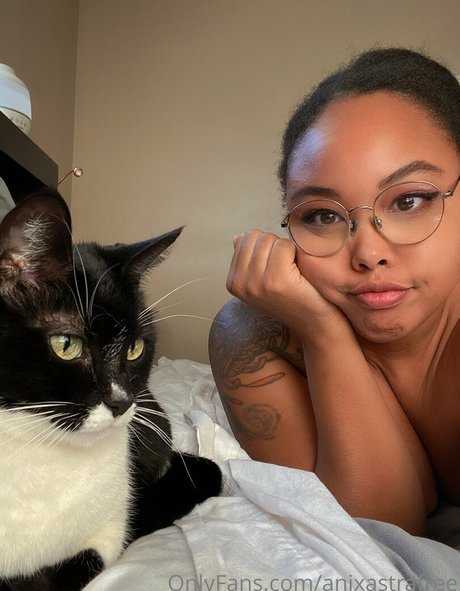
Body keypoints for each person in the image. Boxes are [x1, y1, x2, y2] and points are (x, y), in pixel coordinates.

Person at [208, 47, 460, 536]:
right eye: (322, 215)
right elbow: (381, 531)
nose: (368, 252)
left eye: (410, 200)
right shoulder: (255, 334)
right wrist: (324, 333)